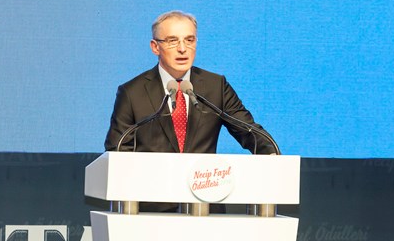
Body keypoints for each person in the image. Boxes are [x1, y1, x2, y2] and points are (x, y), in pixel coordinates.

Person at [104, 10, 276, 155]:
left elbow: (250, 132)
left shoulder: (216, 86)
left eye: (189, 40)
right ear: (155, 47)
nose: (182, 49)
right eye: (172, 41)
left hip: (201, 184)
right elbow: (117, 150)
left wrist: (273, 156)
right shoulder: (132, 92)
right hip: (151, 184)